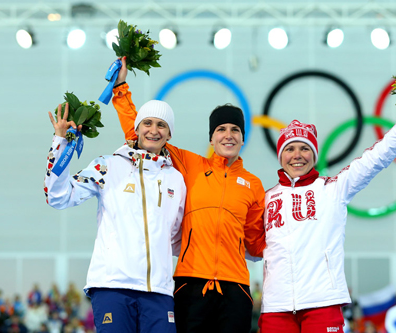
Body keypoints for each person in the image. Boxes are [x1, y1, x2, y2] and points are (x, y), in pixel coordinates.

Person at [111, 56, 266, 333]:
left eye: (235, 130)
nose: (228, 135)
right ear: (211, 137)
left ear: (243, 137)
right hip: (190, 283)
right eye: (221, 129)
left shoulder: (253, 184)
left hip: (236, 288)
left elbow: (256, 243)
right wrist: (121, 88)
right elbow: (142, 138)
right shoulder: (191, 165)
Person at [259, 96, 396, 333]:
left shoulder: (333, 188)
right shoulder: (266, 198)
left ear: (314, 155)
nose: (297, 154)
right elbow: (248, 243)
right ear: (281, 156)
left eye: (304, 148)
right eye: (289, 149)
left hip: (322, 304)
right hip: (276, 308)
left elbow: (376, 158)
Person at [44, 101, 186, 332]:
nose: (153, 130)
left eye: (161, 125)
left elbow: (174, 236)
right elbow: (58, 196)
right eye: (147, 123)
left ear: (169, 134)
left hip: (159, 292)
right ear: (137, 128)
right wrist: (61, 142)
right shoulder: (108, 166)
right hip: (113, 287)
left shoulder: (176, 180)